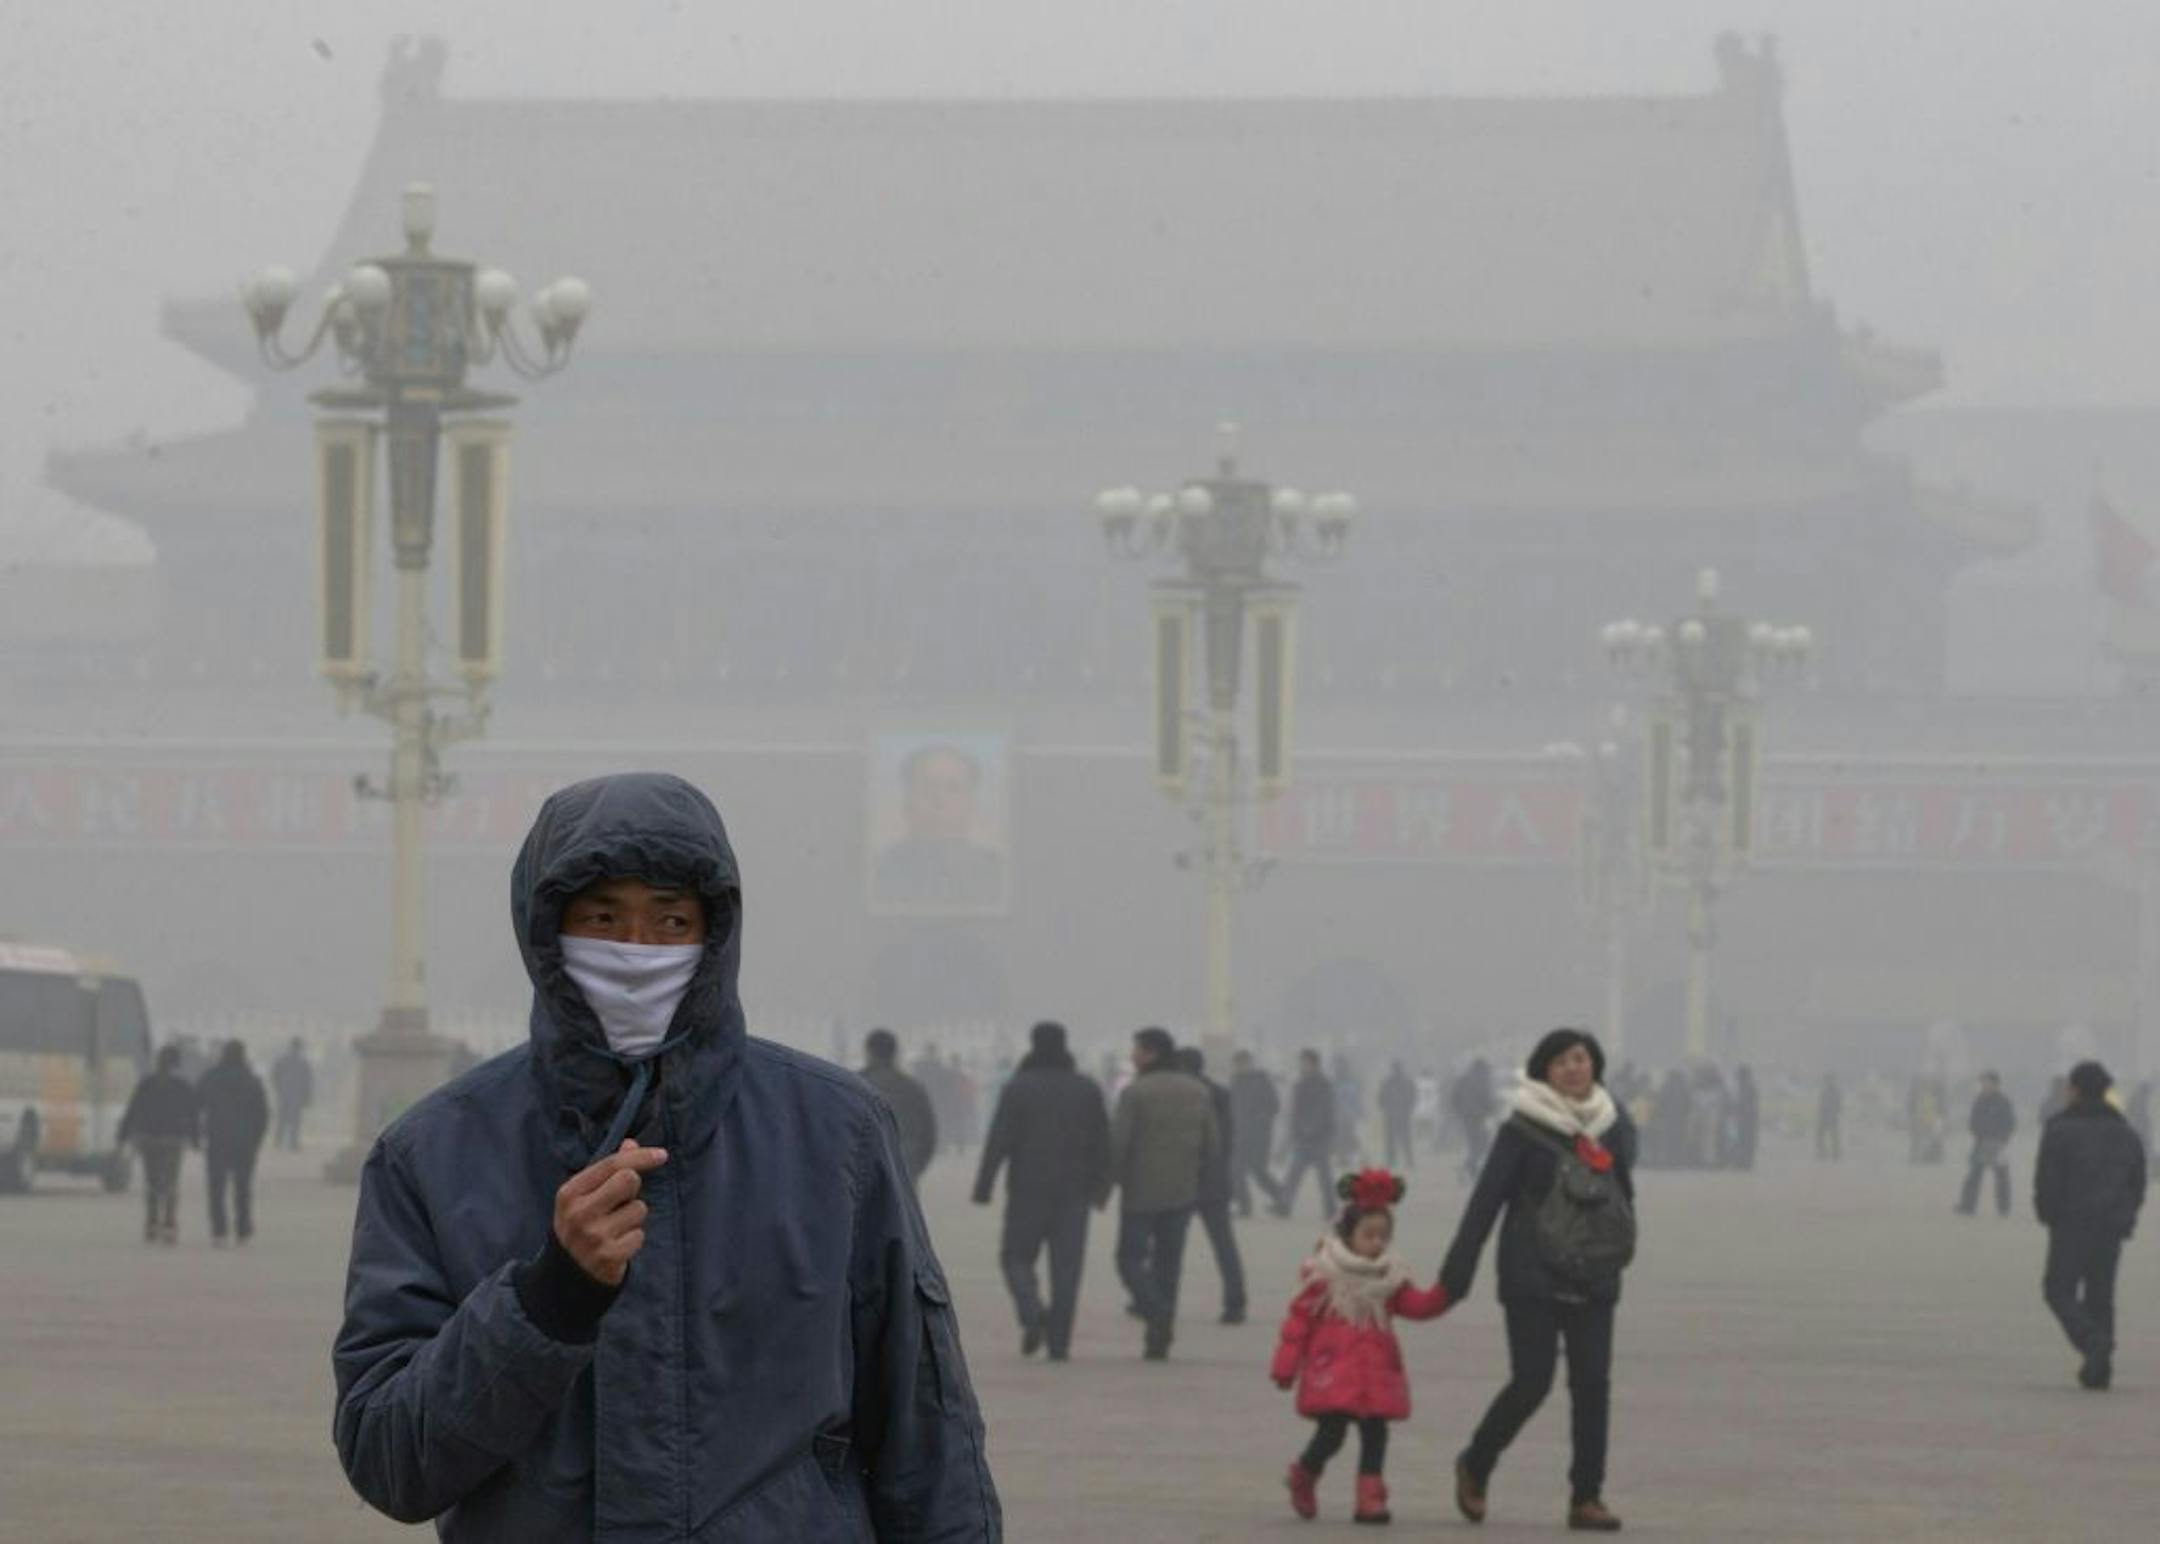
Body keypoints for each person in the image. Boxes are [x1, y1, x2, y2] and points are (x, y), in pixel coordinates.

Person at [332, 772, 1000, 1537]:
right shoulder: (434, 1154)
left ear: (714, 935)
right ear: (546, 931)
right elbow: (390, 1460)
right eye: (603, 919)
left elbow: (928, 1439)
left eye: (671, 921)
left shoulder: (836, 1135)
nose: (636, 951)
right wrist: (546, 1304)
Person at [1442, 1028, 1636, 1533]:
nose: (1573, 1068)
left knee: (1593, 1386)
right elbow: (1486, 1201)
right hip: (1531, 1272)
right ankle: (1477, 1462)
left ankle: (1587, 1497)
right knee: (1532, 1380)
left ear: (1594, 1065)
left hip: (1593, 1272)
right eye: (1560, 1062)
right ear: (1543, 1072)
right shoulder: (1523, 1130)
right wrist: (1456, 1273)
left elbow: (1622, 1197)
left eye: (1580, 1058)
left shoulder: (1612, 1126)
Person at [1272, 1168, 1451, 1526]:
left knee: (1375, 1433)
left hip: (1375, 1372)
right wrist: (1286, 1365)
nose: (1377, 1243)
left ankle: (1370, 1498)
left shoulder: (1390, 1279)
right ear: (1348, 1234)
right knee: (1331, 1434)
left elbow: (1415, 1305)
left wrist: (1446, 1293)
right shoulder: (1323, 1275)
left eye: (1383, 1236)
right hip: (1333, 1371)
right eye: (1369, 1234)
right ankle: (1304, 1475)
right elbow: (1298, 1322)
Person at [972, 1020, 1110, 1362]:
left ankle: (1032, 1310)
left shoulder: (1019, 1087)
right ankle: (1060, 1344)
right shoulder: (1087, 1088)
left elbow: (999, 1139)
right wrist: (1101, 1189)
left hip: (1027, 1191)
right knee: (1067, 1270)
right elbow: (1104, 1144)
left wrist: (984, 1185)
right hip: (1074, 1194)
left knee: (1015, 1257)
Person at [2033, 1060, 2146, 1390]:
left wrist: (2048, 1213)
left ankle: (2092, 1342)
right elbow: (2136, 1182)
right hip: (2111, 1225)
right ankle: (2100, 1368)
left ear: (2077, 1090)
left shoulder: (2060, 1129)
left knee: (2058, 1289)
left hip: (2071, 1223)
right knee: (2101, 1295)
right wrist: (2126, 1214)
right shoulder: (2125, 1132)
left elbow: (2047, 1180)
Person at [1110, 1026, 1219, 1360]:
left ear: (1152, 1053)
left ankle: (1154, 1312)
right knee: (1168, 1265)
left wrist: (1102, 1187)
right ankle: (1160, 1337)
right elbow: (1213, 1145)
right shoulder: (1198, 1091)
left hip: (1140, 1193)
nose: (1132, 1056)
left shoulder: (1135, 1093)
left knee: (1129, 1259)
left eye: (1137, 1050)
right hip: (1183, 1193)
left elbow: (1118, 1145)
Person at [1176, 1046, 1248, 1325]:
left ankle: (1152, 1297)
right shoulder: (1220, 1094)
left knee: (1168, 1246)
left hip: (1183, 1180)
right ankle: (1235, 1300)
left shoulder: (1182, 1094)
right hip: (1215, 1180)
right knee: (1224, 1244)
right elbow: (1226, 1140)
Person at [116, 1044, 199, 1245]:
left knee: (152, 1183)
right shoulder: (183, 1086)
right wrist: (196, 1139)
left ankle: (152, 1223)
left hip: (148, 1138)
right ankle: (169, 1224)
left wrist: (122, 1135)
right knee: (170, 1183)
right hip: (173, 1139)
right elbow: (192, 1115)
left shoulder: (147, 1084)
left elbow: (133, 1109)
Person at [197, 1039, 269, 1245]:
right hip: (245, 1142)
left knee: (216, 1188)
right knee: (243, 1187)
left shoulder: (211, 1077)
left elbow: (197, 1102)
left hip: (217, 1139)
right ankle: (243, 1229)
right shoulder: (252, 1081)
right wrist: (257, 1139)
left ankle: (219, 1230)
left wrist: (199, 1132)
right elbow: (262, 1115)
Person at [861, 1027, 939, 1181]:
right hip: (903, 1167)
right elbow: (928, 1134)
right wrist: (915, 1167)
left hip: (859, 1173)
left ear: (868, 1052)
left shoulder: (852, 1086)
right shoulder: (913, 1088)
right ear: (895, 1053)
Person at [1273, 1050, 1337, 1221]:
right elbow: (1294, 1110)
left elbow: (1324, 1110)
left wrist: (1310, 1127)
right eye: (1301, 1062)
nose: (1302, 1065)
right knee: (1293, 1174)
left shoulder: (1322, 1084)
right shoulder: (1300, 1083)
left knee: (1324, 1177)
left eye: (1305, 1062)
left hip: (1319, 1138)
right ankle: (1284, 1205)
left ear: (1314, 1064)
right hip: (1302, 1137)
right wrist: (1294, 1132)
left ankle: (1330, 1209)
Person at [1228, 1050, 1284, 1218]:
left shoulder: (1261, 1080)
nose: (1240, 1067)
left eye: (1244, 1063)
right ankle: (1245, 1206)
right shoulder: (1235, 1081)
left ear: (1250, 1063)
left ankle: (1281, 1196)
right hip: (1238, 1134)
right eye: (1238, 1063)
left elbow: (1274, 1105)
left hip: (1259, 1136)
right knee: (1236, 1170)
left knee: (1258, 1170)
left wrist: (1261, 1120)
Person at [1956, 1070, 2017, 1218]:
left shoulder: (2003, 1101)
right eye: (1982, 1082)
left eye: (1986, 1082)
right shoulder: (1979, 1100)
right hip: (1980, 1142)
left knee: (2001, 1177)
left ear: (1995, 1084)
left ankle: (2004, 1208)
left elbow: (2010, 1122)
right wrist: (1976, 1133)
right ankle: (1967, 1206)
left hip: (1997, 1143)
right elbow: (1973, 1120)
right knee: (1974, 1175)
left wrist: (2003, 1138)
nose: (1983, 1085)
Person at [1451, 1057, 1496, 1179]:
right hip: (1478, 1117)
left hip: (1467, 1118)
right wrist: (1492, 1109)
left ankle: (1470, 1168)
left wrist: (1460, 1113)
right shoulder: (1481, 1080)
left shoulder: (1462, 1080)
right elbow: (1486, 1099)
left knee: (1475, 1144)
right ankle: (1469, 1168)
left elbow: (1454, 1099)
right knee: (1481, 1144)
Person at [271, 1036, 313, 1151]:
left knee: (282, 1119)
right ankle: (292, 1142)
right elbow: (307, 1081)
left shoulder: (282, 1059)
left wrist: (279, 1088)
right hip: (296, 1094)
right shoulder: (303, 1062)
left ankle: (278, 1141)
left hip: (284, 1093)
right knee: (295, 1120)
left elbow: (274, 1075)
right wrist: (306, 1096)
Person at [1377, 1059, 1417, 1171]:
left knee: (1393, 1139)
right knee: (1404, 1139)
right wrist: (1408, 1108)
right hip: (1402, 1114)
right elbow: (1413, 1097)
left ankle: (1393, 1160)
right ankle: (1408, 1160)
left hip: (1392, 1114)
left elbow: (1381, 1098)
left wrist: (1385, 1107)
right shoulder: (1407, 1082)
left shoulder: (1387, 1082)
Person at [1731, 1065, 1761, 1172]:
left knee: (1745, 1140)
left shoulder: (1746, 1087)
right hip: (1748, 1119)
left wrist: (1737, 1111)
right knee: (1746, 1141)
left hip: (1746, 1119)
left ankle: (1744, 1162)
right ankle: (1745, 1162)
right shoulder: (1748, 1086)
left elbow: (1744, 1104)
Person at [1816, 1073, 1844, 1162]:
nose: (1826, 1082)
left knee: (1828, 1135)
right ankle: (1830, 1153)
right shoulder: (1832, 1091)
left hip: (1829, 1115)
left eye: (1827, 1080)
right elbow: (1838, 1105)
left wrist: (1822, 1111)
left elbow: (1825, 1104)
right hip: (1829, 1115)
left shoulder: (1831, 1091)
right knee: (1829, 1135)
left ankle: (1829, 1153)